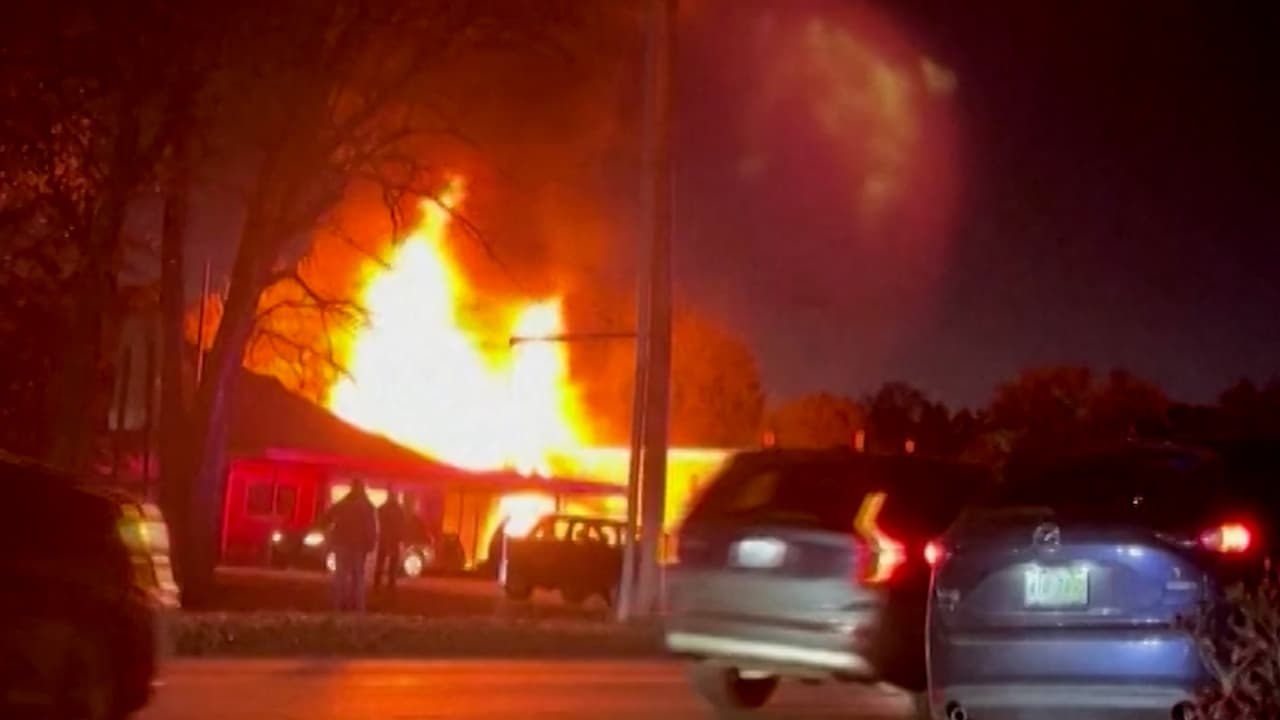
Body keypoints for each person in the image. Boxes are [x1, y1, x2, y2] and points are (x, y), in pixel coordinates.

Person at [321, 479, 377, 612]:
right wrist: (371, 543)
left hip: (341, 543)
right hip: (358, 546)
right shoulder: (367, 506)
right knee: (357, 577)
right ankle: (357, 607)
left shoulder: (343, 504)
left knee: (340, 576)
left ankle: (338, 605)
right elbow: (371, 527)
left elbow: (327, 517)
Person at [373, 492, 406, 594]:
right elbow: (401, 525)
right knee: (392, 562)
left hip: (385, 538)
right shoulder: (399, 510)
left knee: (381, 561)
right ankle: (390, 582)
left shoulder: (382, 509)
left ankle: (378, 581)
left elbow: (379, 521)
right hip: (393, 539)